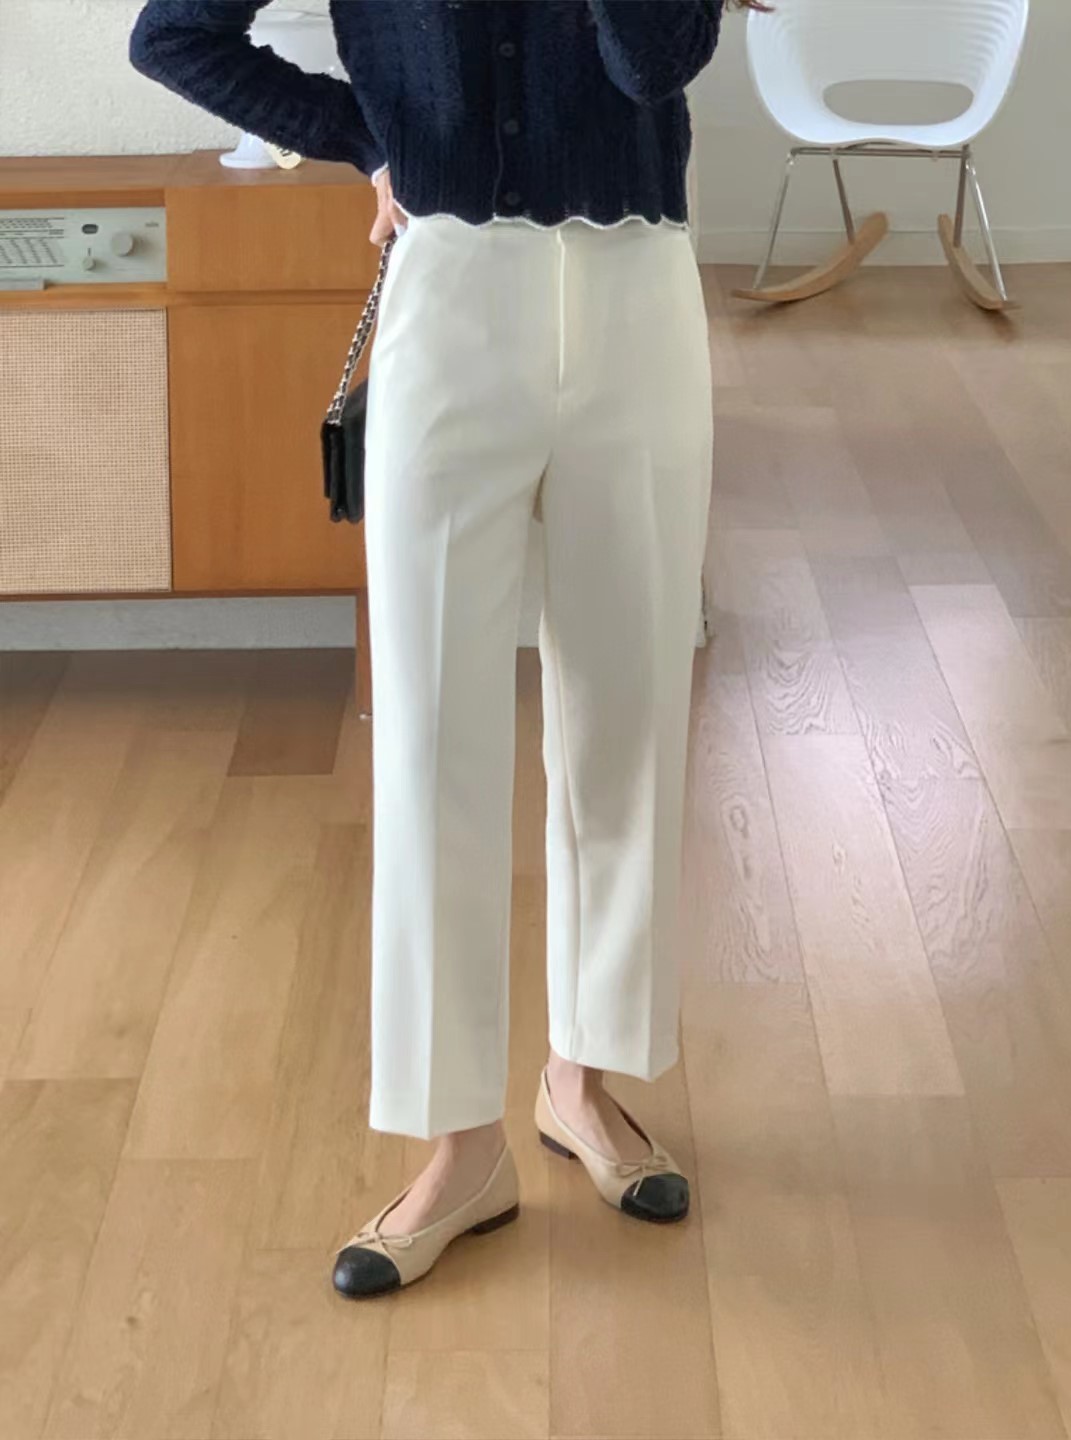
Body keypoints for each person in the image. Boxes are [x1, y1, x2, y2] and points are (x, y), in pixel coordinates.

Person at [130, 0, 763, 1301]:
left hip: (638, 297)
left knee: (631, 714)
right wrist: (367, 135)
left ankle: (583, 1078)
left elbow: (653, 59)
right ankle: (460, 1145)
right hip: (451, 297)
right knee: (429, 737)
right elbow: (174, 33)